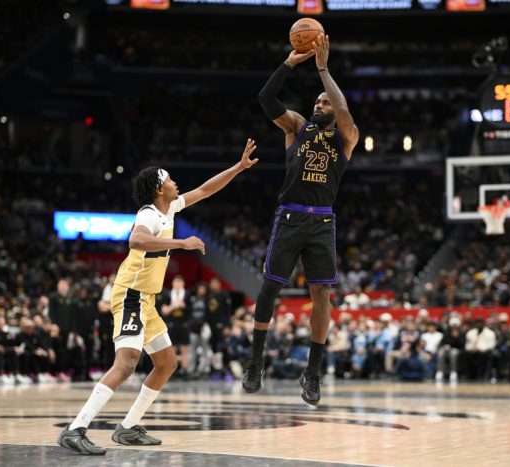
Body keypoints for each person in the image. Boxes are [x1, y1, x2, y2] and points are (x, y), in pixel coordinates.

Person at [58, 139, 258, 455]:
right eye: (169, 179)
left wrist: (239, 167)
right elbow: (136, 240)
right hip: (131, 295)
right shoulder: (149, 214)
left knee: (166, 363)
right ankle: (75, 429)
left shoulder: (170, 208)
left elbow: (205, 190)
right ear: (158, 189)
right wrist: (182, 243)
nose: (175, 182)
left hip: (147, 300)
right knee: (126, 363)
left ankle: (128, 427)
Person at [242, 33, 359, 406]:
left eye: (325, 101)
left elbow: (343, 109)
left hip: (322, 222)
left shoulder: (347, 137)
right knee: (270, 287)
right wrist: (289, 64)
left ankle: (313, 372)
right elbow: (266, 99)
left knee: (322, 294)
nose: (319, 104)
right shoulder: (297, 127)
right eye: (317, 101)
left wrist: (323, 70)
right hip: (290, 216)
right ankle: (255, 362)